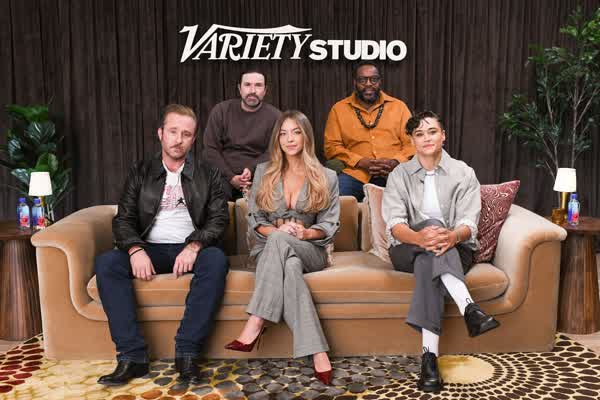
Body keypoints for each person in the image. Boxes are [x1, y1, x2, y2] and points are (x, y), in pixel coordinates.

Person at [95, 104, 229, 386]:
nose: (178, 140)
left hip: (191, 249)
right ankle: (132, 357)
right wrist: (135, 249)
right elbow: (123, 219)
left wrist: (194, 245)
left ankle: (187, 354)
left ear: (193, 139)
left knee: (216, 259)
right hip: (149, 249)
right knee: (107, 263)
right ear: (160, 133)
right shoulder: (140, 171)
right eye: (173, 132)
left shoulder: (209, 173)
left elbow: (219, 220)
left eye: (186, 134)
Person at [382, 111, 500, 393]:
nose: (426, 138)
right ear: (412, 141)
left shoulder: (463, 172)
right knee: (430, 233)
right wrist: (420, 238)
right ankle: (469, 308)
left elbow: (469, 223)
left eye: (432, 131)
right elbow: (395, 225)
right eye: (419, 134)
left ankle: (429, 360)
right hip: (408, 248)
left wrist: (451, 236)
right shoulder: (399, 175)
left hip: (455, 248)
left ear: (443, 135)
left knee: (429, 261)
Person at [224, 110, 340, 385]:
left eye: (296, 132)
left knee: (285, 246)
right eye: (283, 133)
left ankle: (256, 321)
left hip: (310, 248)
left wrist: (305, 232)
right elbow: (255, 219)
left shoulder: (326, 176)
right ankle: (317, 351)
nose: (289, 139)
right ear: (277, 138)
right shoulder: (264, 172)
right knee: (289, 263)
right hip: (268, 249)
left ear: (306, 136)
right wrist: (277, 232)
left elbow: (330, 224)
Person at [324, 61, 415, 201]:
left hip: (393, 173)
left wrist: (395, 162)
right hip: (355, 173)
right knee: (337, 200)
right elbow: (331, 147)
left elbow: (412, 143)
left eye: (373, 79)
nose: (368, 84)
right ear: (355, 82)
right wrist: (360, 161)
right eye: (362, 80)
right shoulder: (339, 109)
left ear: (380, 82)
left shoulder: (399, 107)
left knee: (408, 199)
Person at [203, 69, 281, 200]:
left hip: (260, 176)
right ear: (240, 88)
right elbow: (210, 149)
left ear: (265, 90)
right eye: (247, 85)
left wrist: (252, 169)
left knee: (266, 199)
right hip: (223, 175)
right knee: (215, 200)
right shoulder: (221, 111)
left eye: (258, 85)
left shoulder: (276, 116)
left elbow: (274, 151)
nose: (252, 90)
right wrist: (231, 177)